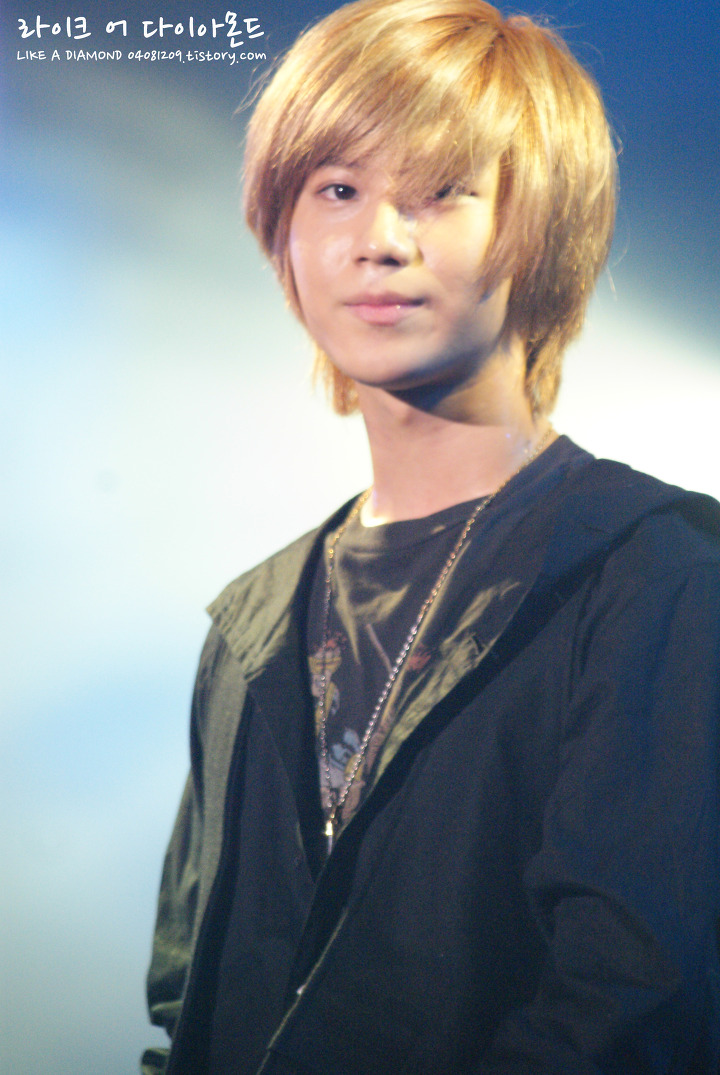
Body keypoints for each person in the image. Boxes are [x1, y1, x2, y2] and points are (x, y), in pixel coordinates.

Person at [142, 1, 720, 1072]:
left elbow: (633, 1007)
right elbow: (188, 1002)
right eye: (338, 190)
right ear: (282, 235)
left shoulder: (658, 574)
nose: (381, 240)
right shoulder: (251, 623)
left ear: (544, 230)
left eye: (442, 191)